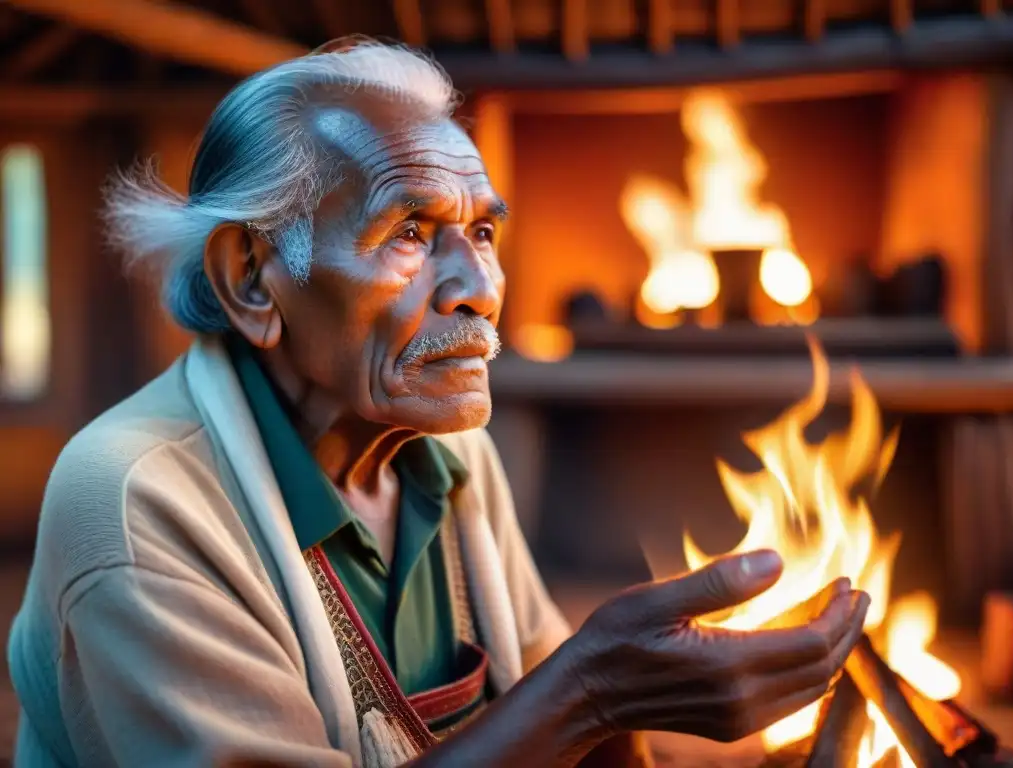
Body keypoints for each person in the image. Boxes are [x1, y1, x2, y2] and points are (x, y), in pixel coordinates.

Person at [6, 39, 869, 768]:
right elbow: (566, 704)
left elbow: (556, 727)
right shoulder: (132, 501)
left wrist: (632, 699)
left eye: (484, 232)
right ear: (252, 278)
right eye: (409, 233)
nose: (481, 287)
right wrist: (596, 688)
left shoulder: (447, 455)